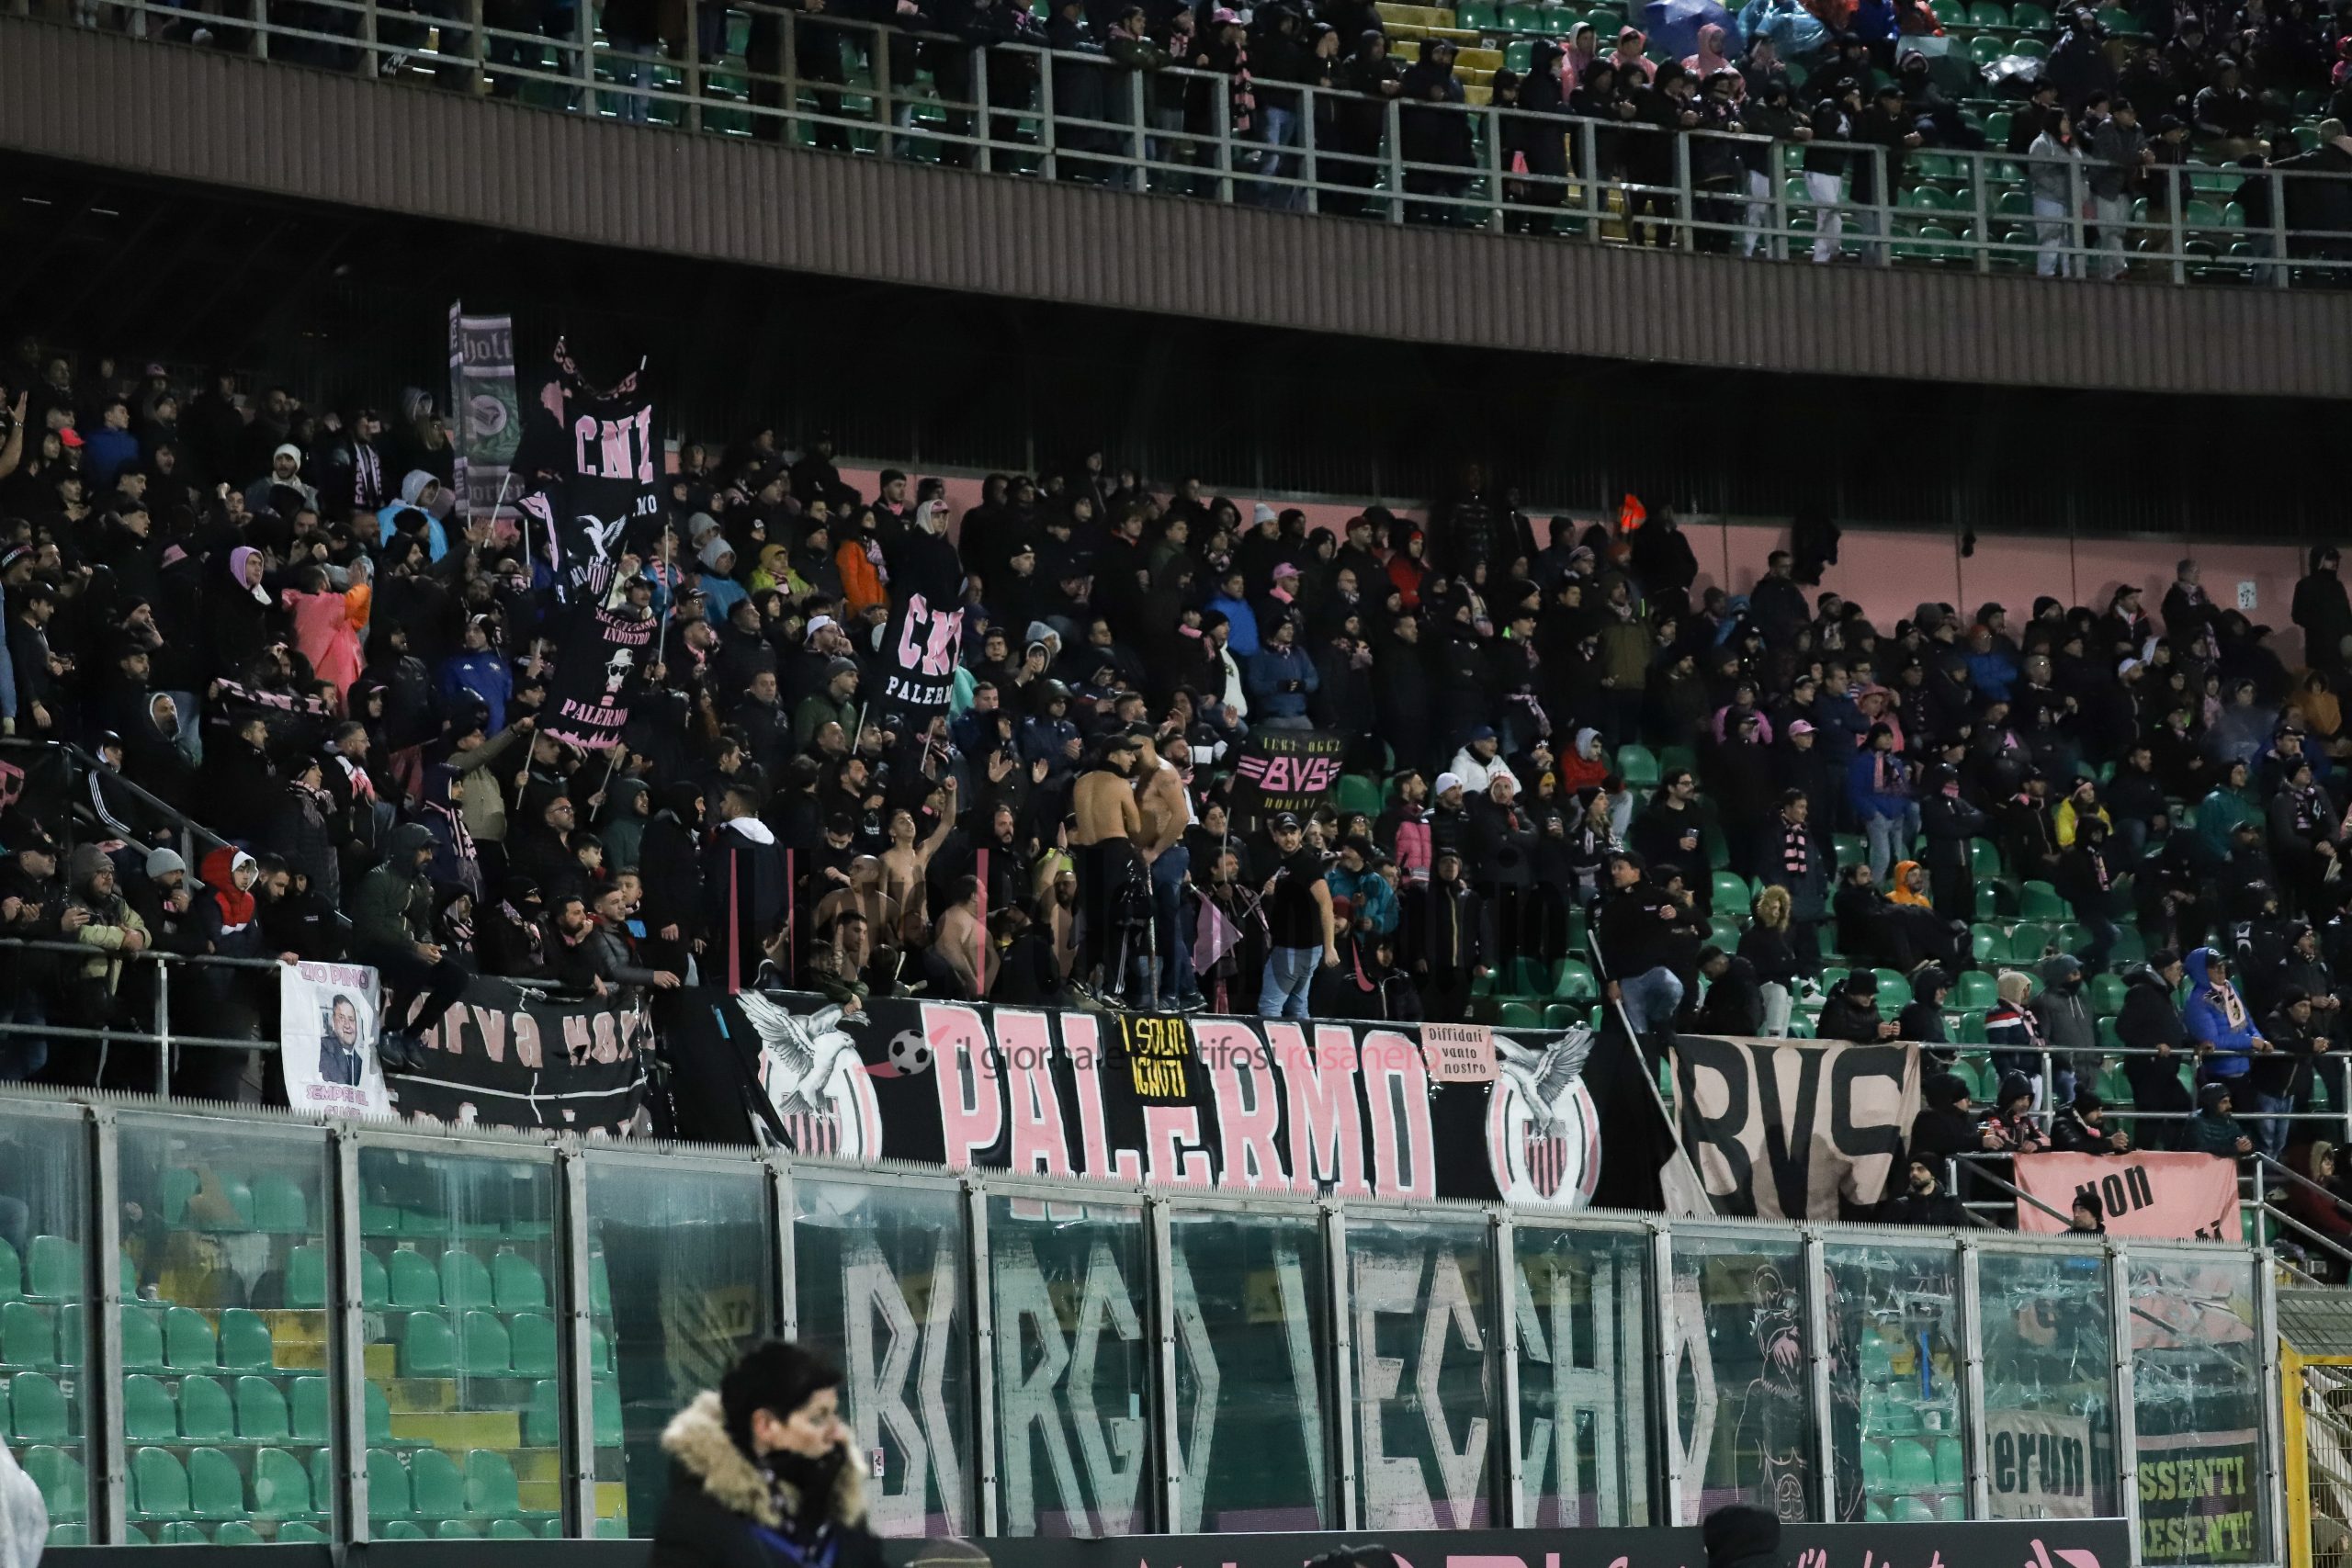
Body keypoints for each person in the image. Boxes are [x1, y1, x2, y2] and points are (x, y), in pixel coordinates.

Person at [650, 1340, 882, 1568]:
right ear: (766, 1425)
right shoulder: (697, 1523)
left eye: (834, 1415)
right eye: (817, 1418)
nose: (837, 1433)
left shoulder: (838, 1509)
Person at [347, 822, 465, 1073]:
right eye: (424, 850)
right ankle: (391, 1030)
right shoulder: (377, 879)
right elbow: (372, 926)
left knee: (456, 977)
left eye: (430, 851)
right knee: (415, 966)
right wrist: (414, 946)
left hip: (408, 950)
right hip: (373, 948)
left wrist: (428, 944)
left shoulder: (422, 884)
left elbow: (423, 922)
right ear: (408, 849)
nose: (429, 857)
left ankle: (411, 1035)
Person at [1071, 730, 1148, 1005]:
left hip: (1087, 856)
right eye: (1128, 752)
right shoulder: (1119, 783)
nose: (1132, 758)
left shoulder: (1080, 783)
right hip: (1116, 853)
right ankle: (1114, 990)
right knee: (1122, 922)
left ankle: (1080, 979)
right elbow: (1136, 827)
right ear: (1113, 755)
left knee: (1092, 922)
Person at [1258, 810, 1339, 1019]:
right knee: (1297, 1008)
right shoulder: (1285, 863)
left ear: (1299, 834)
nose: (1289, 838)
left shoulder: (1307, 863)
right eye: (1284, 833)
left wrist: (1330, 947)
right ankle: (1304, 1050)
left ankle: (1272, 1051)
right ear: (1275, 835)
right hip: (1304, 949)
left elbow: (1326, 904)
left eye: (1293, 832)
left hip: (1293, 949)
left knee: (1269, 1009)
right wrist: (1272, 893)